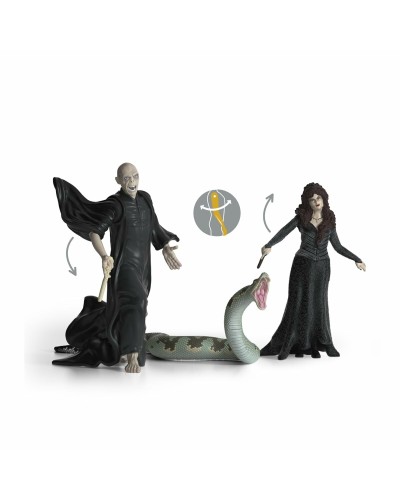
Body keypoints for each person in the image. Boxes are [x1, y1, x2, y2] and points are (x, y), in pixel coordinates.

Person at [53, 163, 181, 373]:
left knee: (132, 307)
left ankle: (109, 342)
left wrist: (165, 246)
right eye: (126, 178)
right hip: (123, 267)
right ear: (118, 181)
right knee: (136, 301)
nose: (132, 182)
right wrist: (104, 255)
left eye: (135, 176)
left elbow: (154, 227)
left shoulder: (145, 199)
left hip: (143, 269)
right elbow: (95, 232)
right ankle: (131, 354)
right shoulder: (116, 204)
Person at [258, 182, 366, 360]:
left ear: (324, 199)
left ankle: (324, 342)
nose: (316, 201)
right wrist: (269, 245)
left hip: (322, 267)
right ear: (307, 202)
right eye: (312, 199)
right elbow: (284, 231)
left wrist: (356, 259)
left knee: (319, 302)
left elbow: (338, 247)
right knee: (298, 302)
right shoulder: (302, 218)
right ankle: (292, 342)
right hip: (302, 264)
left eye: (318, 197)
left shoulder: (329, 220)